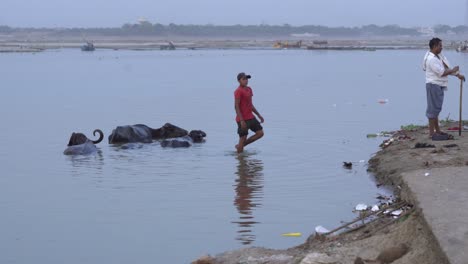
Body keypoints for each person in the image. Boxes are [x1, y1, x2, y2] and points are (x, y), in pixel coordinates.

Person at [423, 37, 465, 139]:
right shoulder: (431, 59)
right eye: (440, 46)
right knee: (433, 109)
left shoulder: (439, 56)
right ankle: (432, 133)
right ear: (434, 46)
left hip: (439, 85)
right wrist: (453, 70)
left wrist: (457, 74)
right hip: (433, 84)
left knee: (436, 109)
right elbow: (442, 73)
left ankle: (437, 131)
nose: (442, 47)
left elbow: (446, 68)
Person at [234, 72, 264, 153]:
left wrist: (258, 115)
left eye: (246, 79)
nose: (246, 80)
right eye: (243, 79)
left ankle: (240, 147)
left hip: (251, 117)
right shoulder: (238, 91)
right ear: (239, 81)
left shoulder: (249, 89)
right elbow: (236, 106)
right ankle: (240, 160)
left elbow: (250, 105)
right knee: (243, 138)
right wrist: (241, 120)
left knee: (260, 133)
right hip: (242, 119)